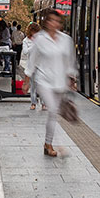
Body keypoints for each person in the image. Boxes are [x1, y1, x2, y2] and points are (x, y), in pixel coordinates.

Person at [25, 9, 77, 157]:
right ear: (46, 22)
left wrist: (72, 78)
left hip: (60, 81)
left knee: (54, 114)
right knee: (53, 110)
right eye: (51, 20)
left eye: (57, 21)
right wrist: (27, 80)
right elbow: (32, 60)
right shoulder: (39, 39)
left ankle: (47, 143)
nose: (55, 23)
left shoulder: (66, 40)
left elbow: (70, 61)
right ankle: (58, 145)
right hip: (44, 80)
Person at [19, 21, 41, 110]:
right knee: (33, 86)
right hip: (31, 64)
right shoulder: (26, 41)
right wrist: (35, 46)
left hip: (41, 64)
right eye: (33, 31)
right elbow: (25, 52)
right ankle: (33, 102)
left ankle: (43, 103)